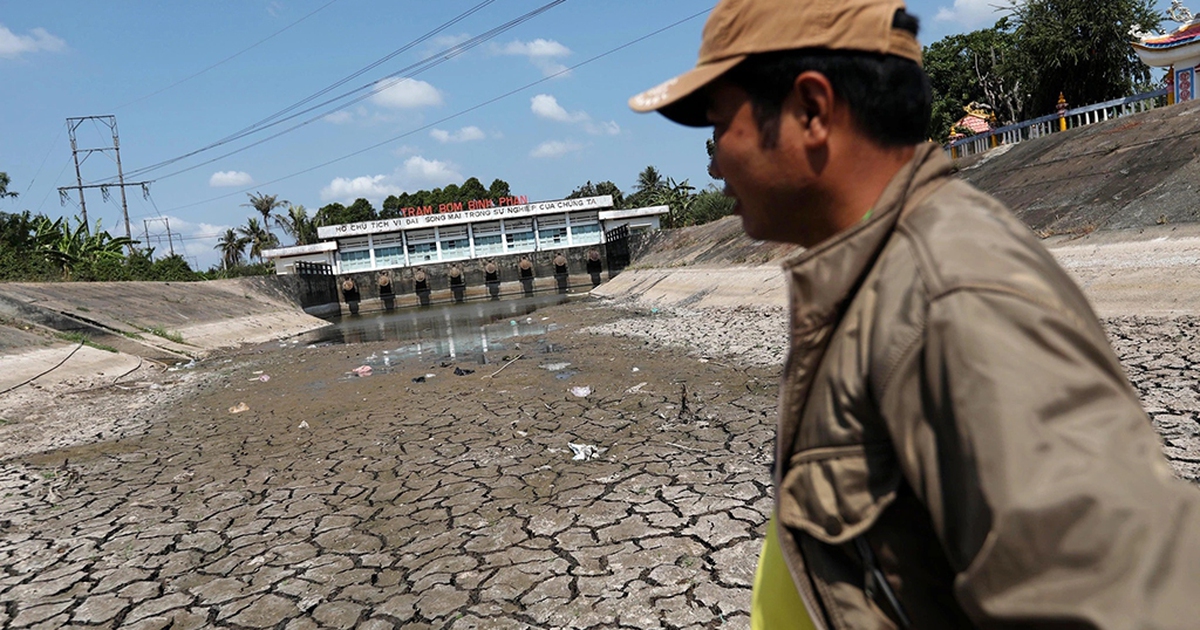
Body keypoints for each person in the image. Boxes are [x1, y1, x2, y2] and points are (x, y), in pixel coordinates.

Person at [629, 0, 1200, 628]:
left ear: (811, 111)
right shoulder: (871, 277)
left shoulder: (949, 297)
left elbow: (1129, 603)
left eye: (719, 127)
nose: (714, 163)